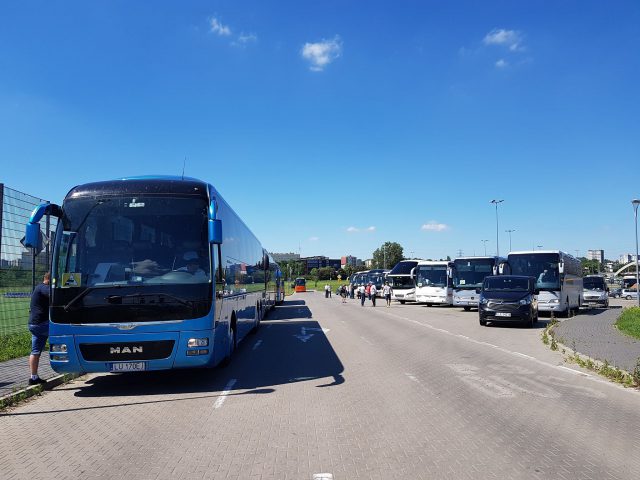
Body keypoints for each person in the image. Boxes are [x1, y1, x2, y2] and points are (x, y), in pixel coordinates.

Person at [28, 272, 50, 386]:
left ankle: (33, 377)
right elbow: (54, 295)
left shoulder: (38, 287)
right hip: (42, 323)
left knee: (35, 351)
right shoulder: (44, 287)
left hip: (33, 324)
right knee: (63, 333)